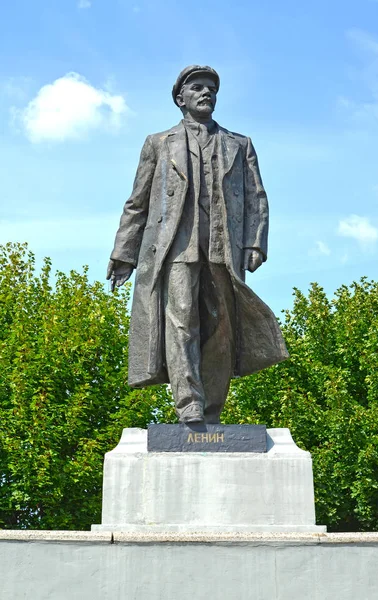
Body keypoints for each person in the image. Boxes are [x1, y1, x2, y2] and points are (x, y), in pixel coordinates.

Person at [107, 65, 288, 424]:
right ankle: (189, 404)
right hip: (175, 249)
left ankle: (211, 412)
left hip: (222, 250)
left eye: (211, 88)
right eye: (198, 87)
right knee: (181, 323)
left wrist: (255, 244)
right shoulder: (158, 143)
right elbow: (138, 202)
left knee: (221, 329)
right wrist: (123, 253)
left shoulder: (240, 144)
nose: (206, 93)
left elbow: (257, 198)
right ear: (181, 98)